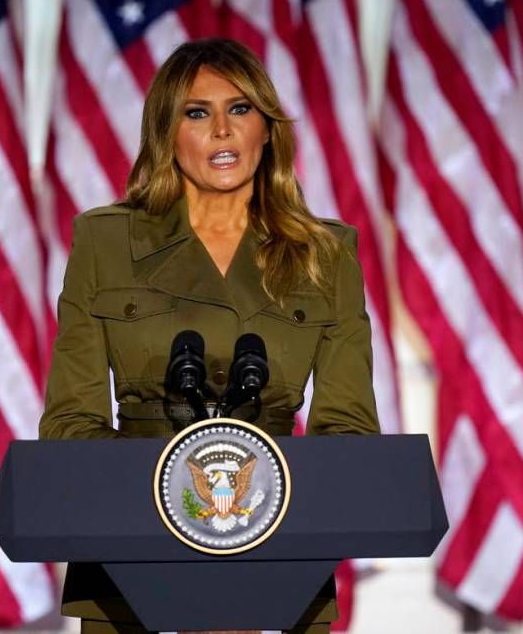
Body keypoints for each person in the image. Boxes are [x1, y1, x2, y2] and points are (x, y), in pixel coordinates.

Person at [40, 38, 380, 634]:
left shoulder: (327, 254)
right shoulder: (105, 242)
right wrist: (173, 491)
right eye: (197, 113)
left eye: (240, 109)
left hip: (279, 553)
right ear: (166, 134)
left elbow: (347, 431)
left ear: (267, 129)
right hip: (130, 559)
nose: (222, 130)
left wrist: (252, 512)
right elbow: (70, 424)